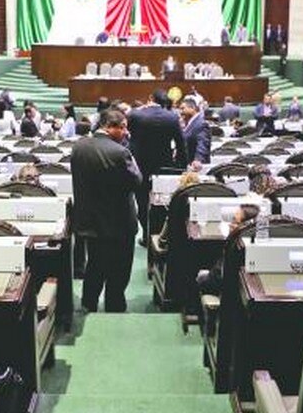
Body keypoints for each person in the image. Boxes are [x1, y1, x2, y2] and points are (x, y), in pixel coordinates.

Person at [71, 108, 142, 312]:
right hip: (120, 222)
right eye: (123, 128)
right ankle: (115, 304)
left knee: (94, 264)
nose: (126, 133)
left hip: (90, 221)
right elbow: (136, 181)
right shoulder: (120, 152)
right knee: (119, 269)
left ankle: (88, 304)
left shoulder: (79, 147)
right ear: (111, 127)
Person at [127, 90, 187, 238]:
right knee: (161, 200)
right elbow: (181, 144)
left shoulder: (135, 114)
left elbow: (130, 138)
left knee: (141, 200)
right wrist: (182, 166)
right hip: (164, 166)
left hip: (139, 164)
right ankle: (157, 233)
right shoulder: (172, 117)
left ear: (150, 98)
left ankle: (146, 233)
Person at [180, 97, 210, 168]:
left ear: (192, 108)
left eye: (183, 108)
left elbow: (202, 143)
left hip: (196, 166)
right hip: (188, 164)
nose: (180, 112)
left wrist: (198, 159)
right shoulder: (189, 123)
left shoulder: (201, 124)